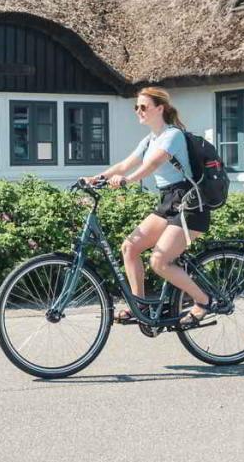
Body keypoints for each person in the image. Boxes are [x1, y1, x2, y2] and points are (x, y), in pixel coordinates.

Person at [92, 86, 216, 326]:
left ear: (160, 109)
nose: (138, 111)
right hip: (169, 200)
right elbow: (125, 164)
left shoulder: (173, 135)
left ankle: (204, 301)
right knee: (130, 247)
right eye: (136, 107)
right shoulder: (150, 139)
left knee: (159, 261)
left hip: (190, 204)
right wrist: (95, 179)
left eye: (143, 107)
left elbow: (152, 164)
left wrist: (127, 180)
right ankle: (139, 305)